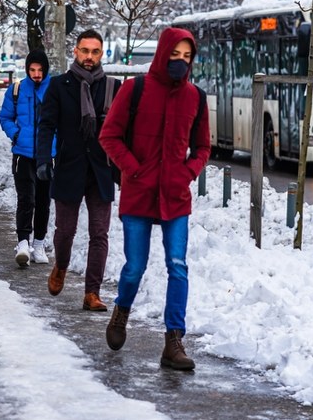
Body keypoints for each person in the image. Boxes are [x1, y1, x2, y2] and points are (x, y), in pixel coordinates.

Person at [98, 27, 211, 371]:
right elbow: (109, 136)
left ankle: (174, 341)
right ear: (163, 54)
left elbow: (203, 147)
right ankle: (121, 311)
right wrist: (134, 170)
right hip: (139, 193)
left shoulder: (196, 97)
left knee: (178, 265)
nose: (181, 62)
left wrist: (187, 172)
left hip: (175, 196)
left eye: (187, 57)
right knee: (135, 266)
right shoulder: (135, 89)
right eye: (175, 55)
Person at [36, 29, 120, 312]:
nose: (89, 56)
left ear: (102, 54)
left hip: (101, 171)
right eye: (85, 50)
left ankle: (92, 293)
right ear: (75, 51)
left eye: (95, 52)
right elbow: (46, 125)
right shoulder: (60, 85)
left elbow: (122, 131)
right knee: (65, 231)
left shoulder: (112, 87)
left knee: (99, 234)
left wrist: (124, 167)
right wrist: (43, 159)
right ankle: (60, 266)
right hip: (69, 167)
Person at [0, 50, 55, 267]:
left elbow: (62, 120)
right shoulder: (17, 89)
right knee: (26, 199)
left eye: (40, 70)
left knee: (43, 201)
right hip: (22, 153)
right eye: (32, 70)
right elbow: (5, 116)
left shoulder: (54, 89)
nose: (36, 74)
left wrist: (55, 142)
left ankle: (39, 244)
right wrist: (16, 134)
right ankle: (23, 242)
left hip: (46, 155)